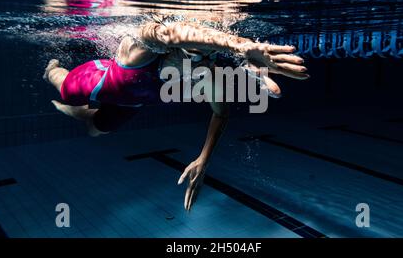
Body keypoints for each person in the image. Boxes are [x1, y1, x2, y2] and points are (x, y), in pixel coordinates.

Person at [44, 20, 308, 210]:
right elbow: (171, 33)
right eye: (195, 56)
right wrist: (239, 45)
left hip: (132, 102)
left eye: (208, 58)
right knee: (65, 88)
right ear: (179, 50)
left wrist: (204, 160)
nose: (201, 64)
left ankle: (84, 114)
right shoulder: (144, 48)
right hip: (99, 81)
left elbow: (221, 113)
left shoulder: (202, 69)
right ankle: (52, 69)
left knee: (97, 128)